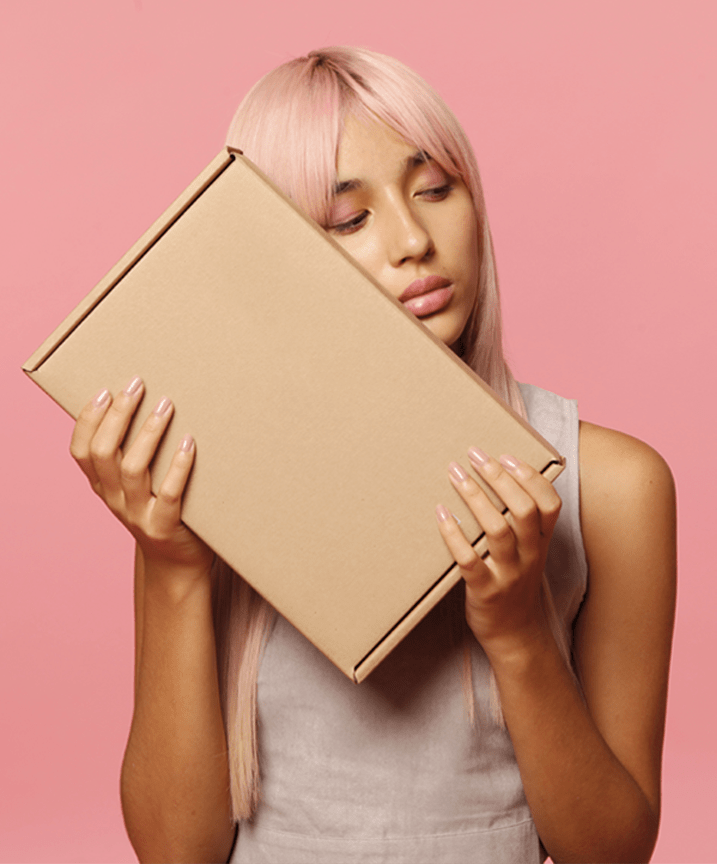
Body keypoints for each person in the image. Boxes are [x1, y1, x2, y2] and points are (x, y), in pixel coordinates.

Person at [68, 47, 676, 863]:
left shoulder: (616, 489)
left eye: (435, 189)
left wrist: (519, 632)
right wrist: (171, 565)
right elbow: (177, 853)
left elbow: (613, 852)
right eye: (348, 219)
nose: (413, 239)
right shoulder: (201, 484)